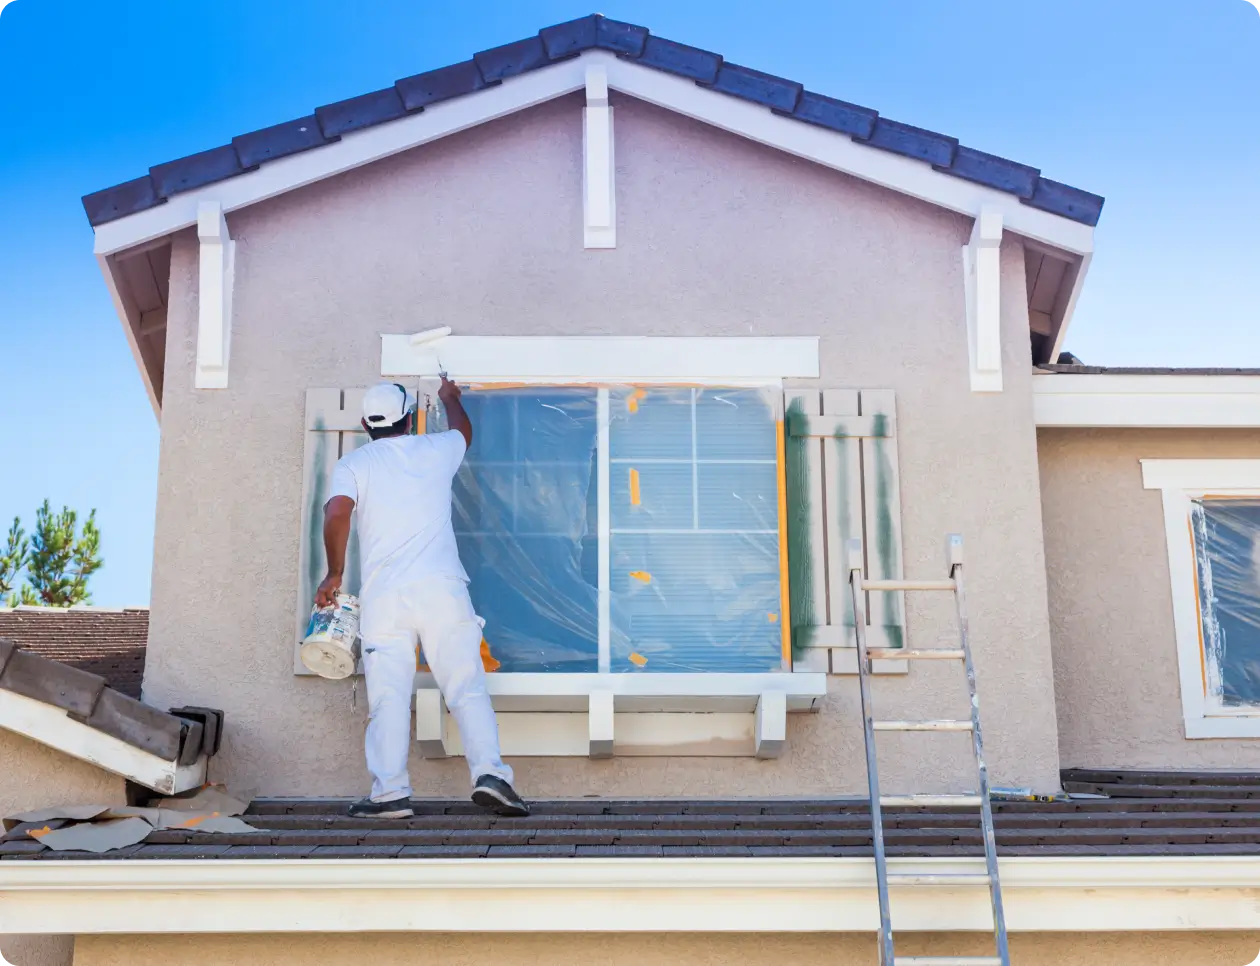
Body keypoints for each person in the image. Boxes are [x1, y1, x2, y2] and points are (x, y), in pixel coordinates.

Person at [315, 378, 529, 819]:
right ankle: (492, 776)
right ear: (409, 419)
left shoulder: (353, 464)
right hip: (442, 591)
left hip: (385, 600)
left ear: (363, 425)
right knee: (466, 688)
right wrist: (451, 399)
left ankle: (390, 794)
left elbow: (337, 513)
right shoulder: (435, 450)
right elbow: (463, 432)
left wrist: (334, 573)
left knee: (388, 697)